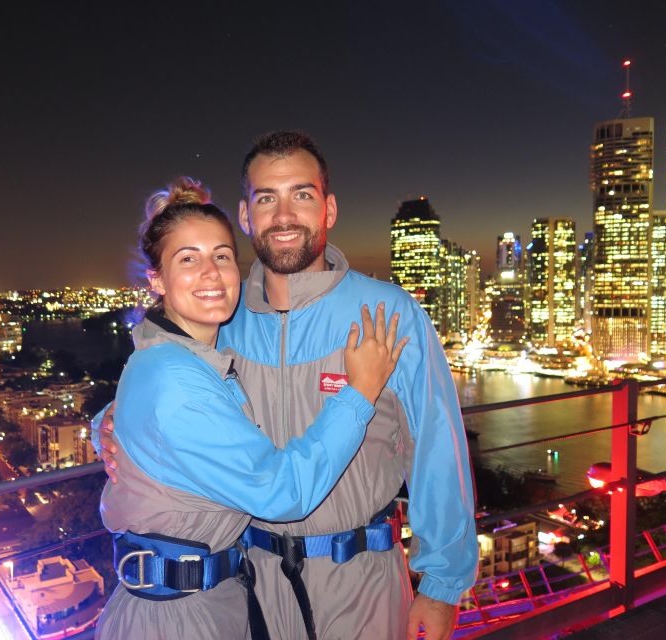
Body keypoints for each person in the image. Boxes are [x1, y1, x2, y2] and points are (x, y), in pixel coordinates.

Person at [96, 132, 478, 640]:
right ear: (246, 214)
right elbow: (170, 391)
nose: (283, 215)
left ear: (329, 209)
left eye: (301, 194)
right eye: (266, 198)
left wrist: (442, 586)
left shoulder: (389, 314)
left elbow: (437, 451)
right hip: (248, 587)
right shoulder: (224, 319)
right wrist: (108, 423)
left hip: (361, 584)